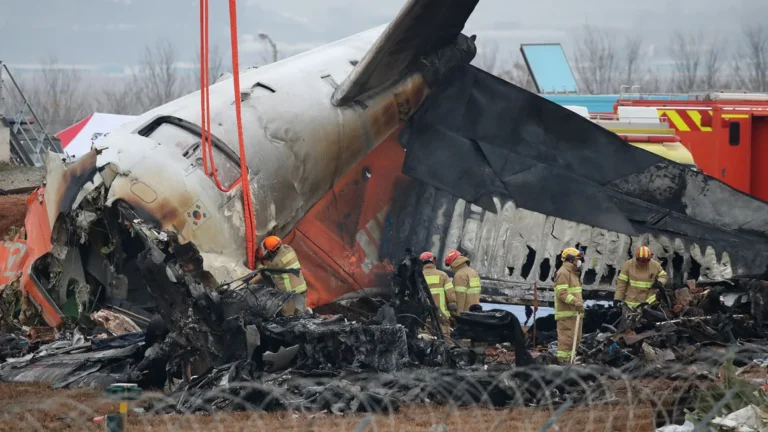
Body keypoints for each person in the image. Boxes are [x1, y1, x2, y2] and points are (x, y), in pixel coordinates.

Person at [251, 235, 308, 315]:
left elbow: (264, 272)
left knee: (288, 319)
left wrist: (258, 263)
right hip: (302, 291)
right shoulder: (289, 249)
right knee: (301, 316)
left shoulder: (276, 263)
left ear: (270, 251)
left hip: (290, 295)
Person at [554, 247, 585, 363]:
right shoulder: (563, 272)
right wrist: (575, 302)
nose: (579, 262)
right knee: (566, 342)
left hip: (574, 314)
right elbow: (561, 292)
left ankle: (570, 363)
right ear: (571, 260)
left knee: (575, 341)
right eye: (577, 259)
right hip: (566, 315)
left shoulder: (573, 273)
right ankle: (562, 364)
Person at [614, 246, 668, 310]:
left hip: (649, 303)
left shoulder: (655, 265)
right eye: (641, 260)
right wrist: (618, 298)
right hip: (630, 304)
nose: (643, 262)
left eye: (646, 260)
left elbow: (663, 276)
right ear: (636, 258)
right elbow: (621, 283)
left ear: (649, 258)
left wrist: (660, 282)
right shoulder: (628, 264)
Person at [420, 251, 457, 334]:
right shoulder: (443, 275)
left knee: (426, 341)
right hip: (442, 317)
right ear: (434, 260)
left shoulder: (418, 277)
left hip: (425, 318)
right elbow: (451, 297)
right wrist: (453, 316)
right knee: (445, 341)